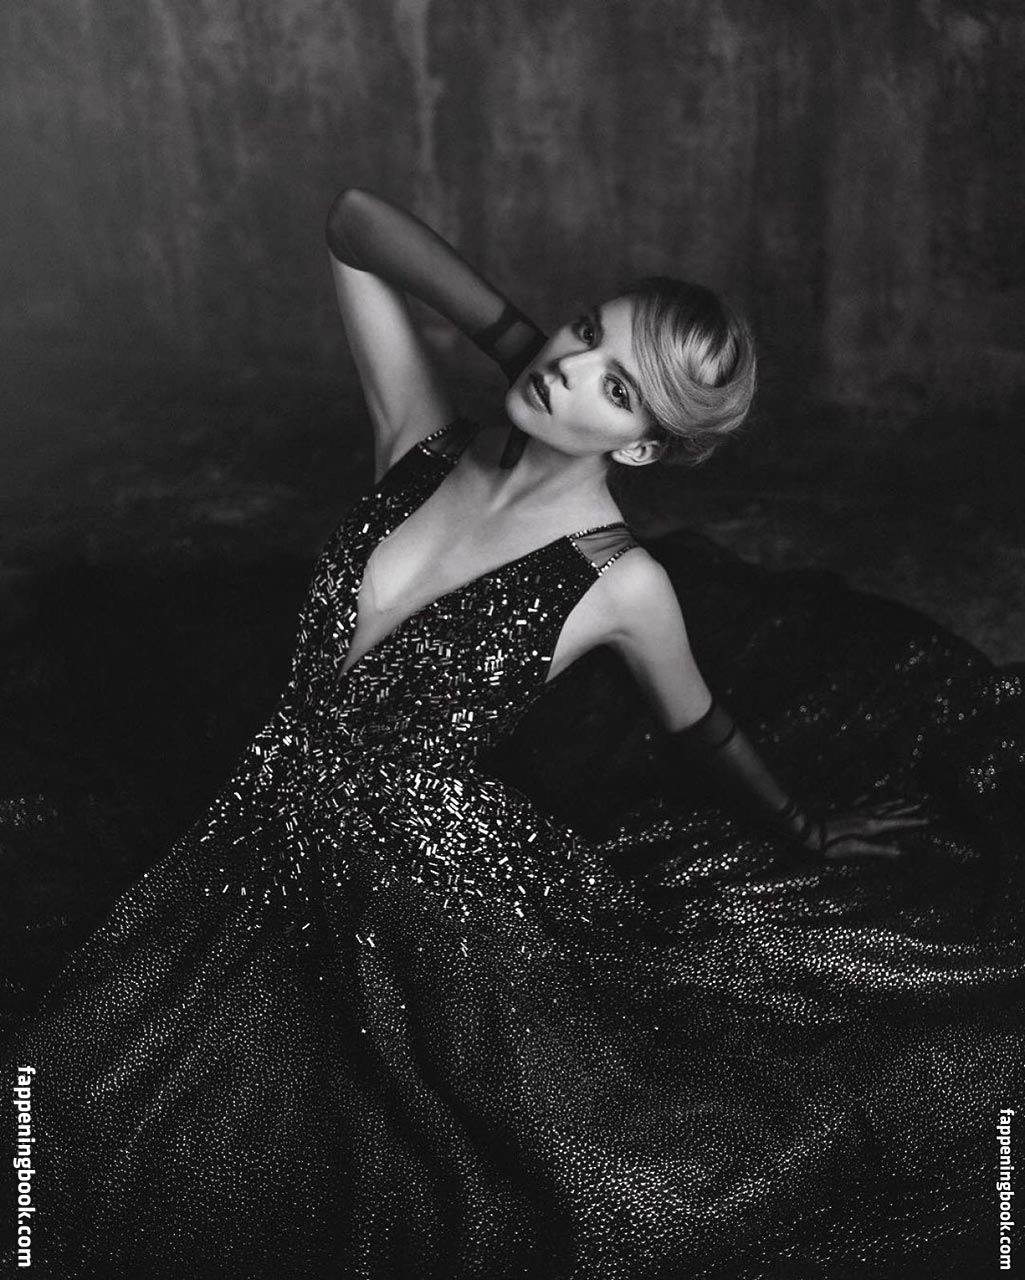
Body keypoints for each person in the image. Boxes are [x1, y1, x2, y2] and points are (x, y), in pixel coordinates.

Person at [2, 186, 1022, 1280]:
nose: (570, 368)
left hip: (418, 891)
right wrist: (520, 342)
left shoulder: (620, 581)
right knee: (83, 1081)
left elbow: (700, 727)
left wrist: (807, 831)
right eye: (583, 331)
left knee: (313, 1155)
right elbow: (351, 220)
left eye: (616, 387)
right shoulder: (420, 438)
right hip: (256, 828)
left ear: (643, 448)